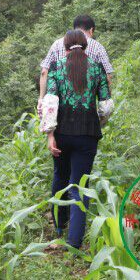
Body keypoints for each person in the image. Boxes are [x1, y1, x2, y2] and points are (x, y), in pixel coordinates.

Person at [39, 29, 113, 250]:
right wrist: (98, 122)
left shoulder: (57, 67)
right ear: (86, 45)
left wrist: (50, 135)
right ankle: (74, 241)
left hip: (62, 133)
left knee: (60, 176)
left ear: (64, 47)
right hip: (88, 135)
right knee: (79, 185)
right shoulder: (97, 68)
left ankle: (59, 225)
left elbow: (50, 102)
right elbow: (106, 105)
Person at [38, 15, 112, 118]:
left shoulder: (57, 44)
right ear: (91, 30)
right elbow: (107, 77)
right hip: (88, 112)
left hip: (61, 113)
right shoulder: (98, 47)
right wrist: (104, 109)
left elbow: (44, 72)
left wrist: (41, 98)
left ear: (74, 29)